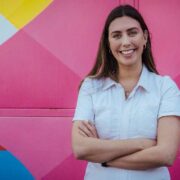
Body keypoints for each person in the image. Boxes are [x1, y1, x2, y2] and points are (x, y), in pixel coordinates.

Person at [72, 4, 180, 180]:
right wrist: (141, 144)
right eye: (116, 35)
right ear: (108, 43)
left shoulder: (165, 88)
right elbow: (81, 148)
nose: (126, 42)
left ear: (144, 37)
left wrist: (103, 157)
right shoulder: (91, 87)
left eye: (132, 33)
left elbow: (165, 154)